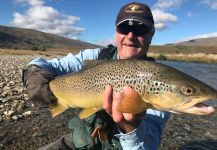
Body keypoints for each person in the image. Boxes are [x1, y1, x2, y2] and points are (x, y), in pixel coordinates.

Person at [22, 2, 170, 150]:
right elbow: (49, 65)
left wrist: (131, 126)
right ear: (116, 32)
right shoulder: (97, 55)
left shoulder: (156, 78)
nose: (130, 36)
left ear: (152, 33)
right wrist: (34, 74)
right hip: (82, 140)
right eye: (124, 28)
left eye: (140, 29)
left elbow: (149, 144)